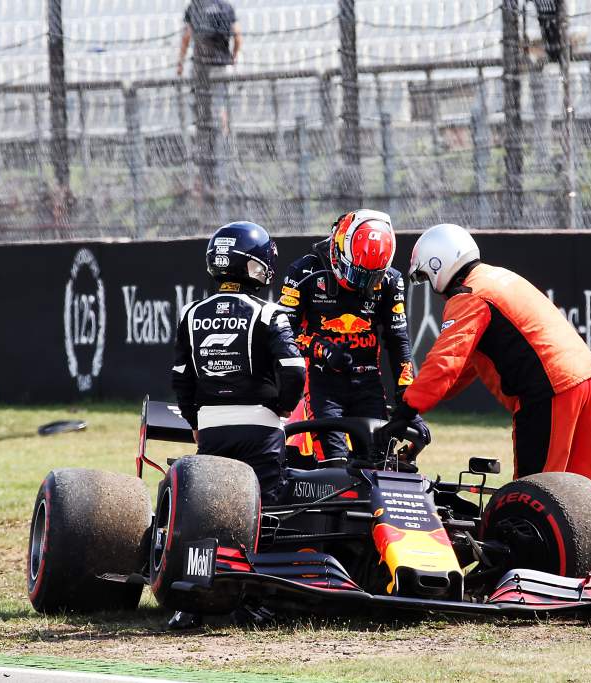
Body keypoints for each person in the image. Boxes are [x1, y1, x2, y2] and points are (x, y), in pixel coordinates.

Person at [379, 223, 591, 482]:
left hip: (551, 388)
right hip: (588, 378)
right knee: (584, 493)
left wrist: (407, 409)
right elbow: (462, 369)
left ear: (437, 265)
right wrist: (416, 403)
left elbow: (446, 361)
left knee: (537, 493)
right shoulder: (496, 278)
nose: (430, 285)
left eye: (426, 276)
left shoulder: (468, 295)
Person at [170, 220, 304, 629]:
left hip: (211, 431)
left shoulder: (192, 314)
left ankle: (192, 603)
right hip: (261, 430)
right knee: (264, 511)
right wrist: (281, 409)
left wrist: (196, 421)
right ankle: (255, 601)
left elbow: (180, 378)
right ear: (254, 267)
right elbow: (295, 371)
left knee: (207, 514)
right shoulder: (269, 313)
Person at [278, 209, 427, 458]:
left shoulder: (391, 281)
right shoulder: (303, 273)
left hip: (368, 382)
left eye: (372, 277)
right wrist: (321, 349)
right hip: (321, 381)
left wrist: (408, 401)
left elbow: (398, 339)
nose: (361, 283)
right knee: (332, 461)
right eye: (357, 273)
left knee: (379, 460)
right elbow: (284, 335)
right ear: (338, 248)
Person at [177, 0, 241, 132]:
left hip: (201, 64)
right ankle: (223, 138)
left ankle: (206, 138)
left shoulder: (194, 7)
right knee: (219, 104)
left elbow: (186, 37)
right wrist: (234, 56)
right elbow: (238, 35)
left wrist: (180, 63)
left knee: (199, 101)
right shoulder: (226, 7)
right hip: (221, 62)